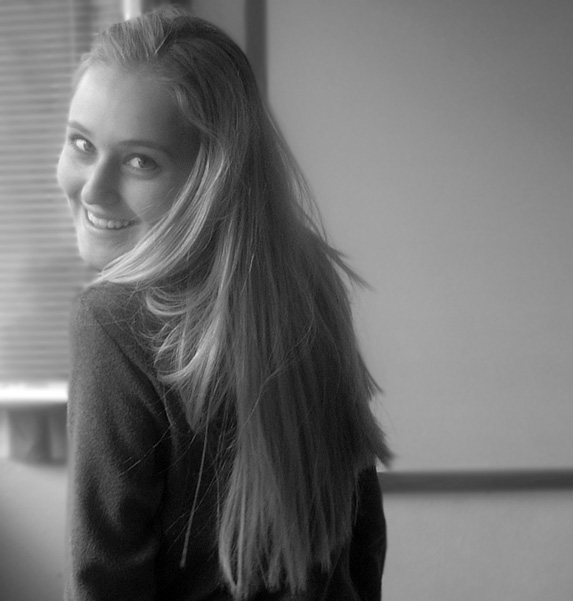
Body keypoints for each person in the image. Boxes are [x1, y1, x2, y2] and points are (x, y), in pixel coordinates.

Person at [56, 7, 391, 601]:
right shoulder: (308, 279)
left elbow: (104, 578)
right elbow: (363, 542)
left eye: (140, 160)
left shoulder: (114, 321)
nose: (94, 187)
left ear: (209, 178)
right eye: (82, 144)